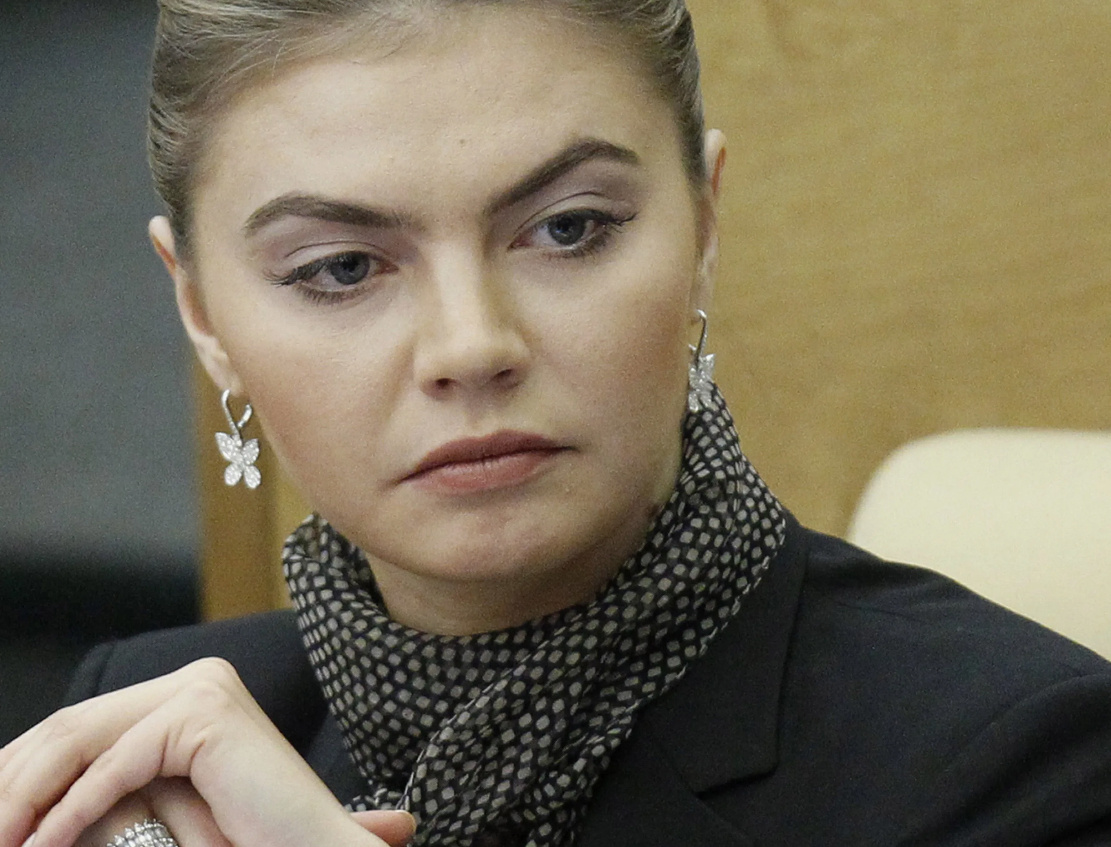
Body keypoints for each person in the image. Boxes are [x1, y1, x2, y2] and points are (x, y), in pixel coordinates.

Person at [2, 1, 1110, 845]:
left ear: (703, 226)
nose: (469, 345)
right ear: (202, 315)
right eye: (340, 268)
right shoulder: (135, 737)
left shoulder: (1019, 760)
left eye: (568, 229)